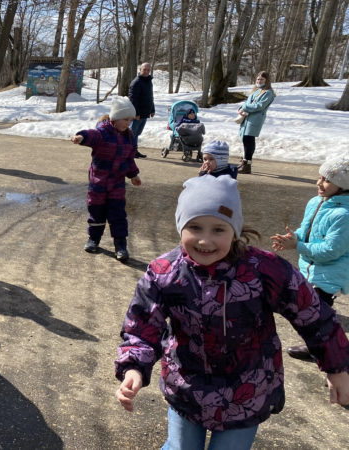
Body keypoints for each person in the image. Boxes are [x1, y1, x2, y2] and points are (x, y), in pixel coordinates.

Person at [115, 175, 349, 449]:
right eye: (195, 227)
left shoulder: (265, 269)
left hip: (247, 392)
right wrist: (134, 368)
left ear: (235, 230)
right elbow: (142, 325)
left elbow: (313, 315)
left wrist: (337, 367)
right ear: (180, 227)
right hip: (186, 387)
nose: (205, 240)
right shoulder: (164, 273)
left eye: (218, 229)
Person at [271, 154, 349, 361]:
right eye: (320, 177)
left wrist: (298, 246)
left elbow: (331, 251)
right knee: (310, 309)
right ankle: (321, 344)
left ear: (343, 185)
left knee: (316, 314)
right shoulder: (316, 202)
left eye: (327, 180)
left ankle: (323, 351)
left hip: (331, 271)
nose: (319, 183)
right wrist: (293, 237)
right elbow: (305, 229)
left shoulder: (344, 215)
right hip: (311, 266)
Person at [71, 96, 141, 262]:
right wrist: (81, 137)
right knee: (96, 212)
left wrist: (133, 175)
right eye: (126, 119)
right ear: (115, 118)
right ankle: (93, 239)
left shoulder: (129, 138)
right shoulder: (103, 133)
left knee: (118, 214)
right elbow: (92, 135)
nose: (128, 123)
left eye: (131, 120)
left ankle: (120, 245)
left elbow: (129, 159)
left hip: (117, 184)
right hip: (98, 183)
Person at [236, 71, 275, 175]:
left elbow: (259, 106)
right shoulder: (256, 90)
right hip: (247, 117)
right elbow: (248, 103)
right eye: (258, 79)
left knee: (249, 139)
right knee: (245, 138)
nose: (259, 81)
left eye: (262, 79)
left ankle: (247, 164)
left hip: (255, 118)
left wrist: (244, 107)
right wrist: (241, 108)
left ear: (267, 81)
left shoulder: (268, 93)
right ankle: (244, 161)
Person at [128, 62, 154, 159]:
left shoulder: (148, 81)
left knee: (137, 133)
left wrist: (152, 109)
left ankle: (134, 150)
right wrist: (136, 113)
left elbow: (150, 97)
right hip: (137, 114)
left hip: (145, 112)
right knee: (131, 133)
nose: (146, 71)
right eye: (144, 69)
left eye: (148, 70)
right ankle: (128, 150)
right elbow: (133, 99)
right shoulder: (136, 82)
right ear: (140, 70)